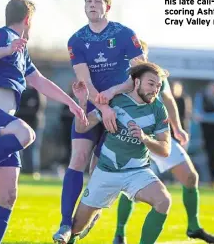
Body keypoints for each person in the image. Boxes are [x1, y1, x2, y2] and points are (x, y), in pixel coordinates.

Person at [0, 0, 87, 244]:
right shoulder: (5, 36)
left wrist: (70, 102)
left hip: (2, 128)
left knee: (7, 196)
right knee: (27, 133)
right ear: (28, 20)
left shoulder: (21, 51)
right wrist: (6, 49)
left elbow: (39, 81)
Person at [90, 40, 214, 244]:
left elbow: (167, 100)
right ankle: (119, 233)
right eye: (136, 53)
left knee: (190, 177)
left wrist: (176, 128)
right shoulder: (119, 75)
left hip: (155, 135)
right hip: (128, 138)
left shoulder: (154, 76)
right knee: (130, 182)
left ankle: (193, 227)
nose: (140, 57)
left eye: (143, 53)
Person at [53, 0, 145, 242]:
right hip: (93, 105)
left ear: (107, 5)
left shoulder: (125, 34)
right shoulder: (77, 39)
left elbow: (139, 74)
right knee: (78, 158)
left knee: (100, 172)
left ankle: (90, 217)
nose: (92, 4)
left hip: (121, 107)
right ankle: (64, 225)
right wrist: (102, 106)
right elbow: (84, 82)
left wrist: (114, 95)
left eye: (97, 0)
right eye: (88, 1)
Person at [67, 62, 172, 244]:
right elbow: (82, 127)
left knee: (164, 201)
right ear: (137, 82)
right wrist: (82, 102)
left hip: (137, 171)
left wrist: (145, 138)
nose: (155, 90)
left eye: (158, 86)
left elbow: (165, 150)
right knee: (75, 228)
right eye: (151, 83)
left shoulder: (158, 109)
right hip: (106, 172)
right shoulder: (116, 101)